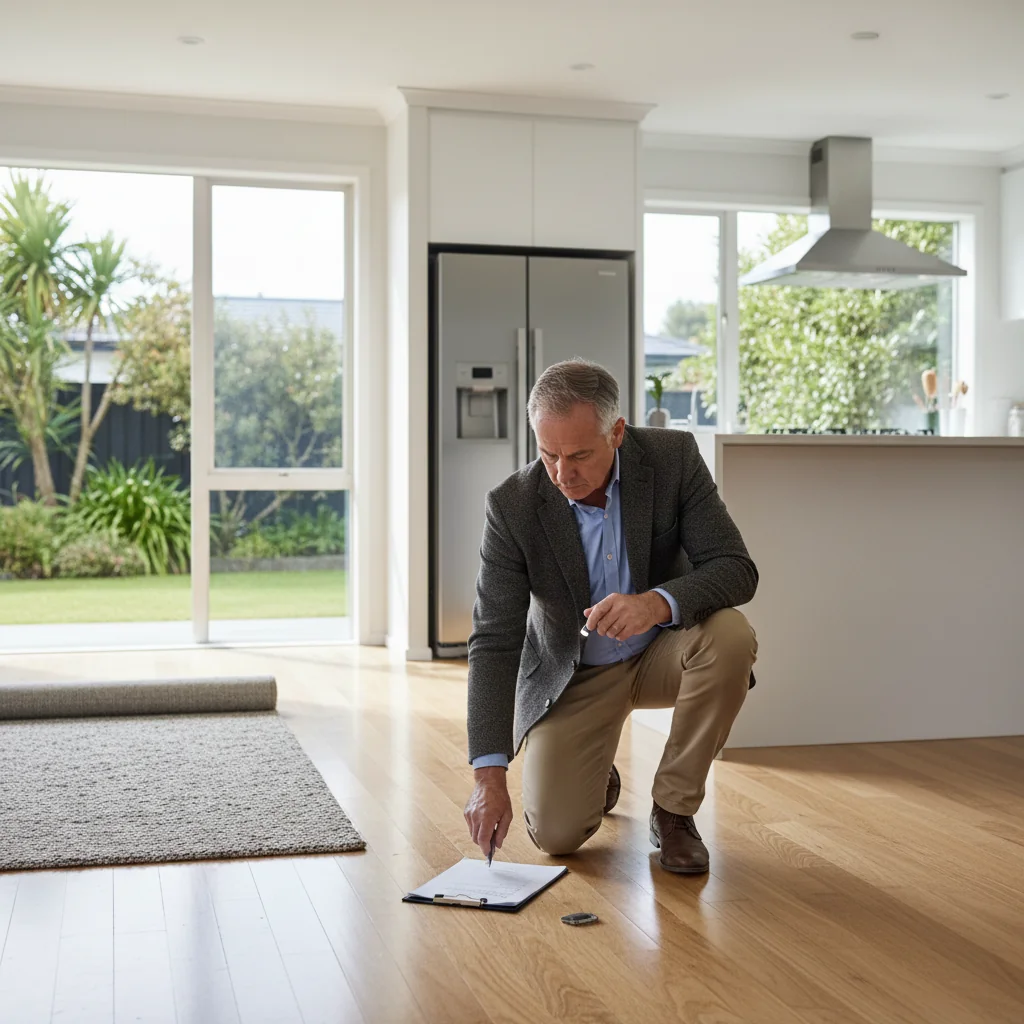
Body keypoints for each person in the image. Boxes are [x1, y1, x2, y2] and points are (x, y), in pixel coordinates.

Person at [463, 359, 758, 874]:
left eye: (578, 455)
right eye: (547, 454)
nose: (562, 474)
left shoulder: (673, 458)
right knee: (556, 836)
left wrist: (654, 603)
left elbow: (736, 569)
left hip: (663, 651)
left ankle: (673, 812)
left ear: (617, 432)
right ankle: (596, 776)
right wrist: (488, 776)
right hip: (573, 674)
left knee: (731, 635)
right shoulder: (512, 505)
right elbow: (494, 639)